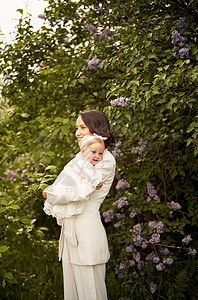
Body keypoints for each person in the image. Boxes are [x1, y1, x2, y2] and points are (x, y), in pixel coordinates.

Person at [43, 110, 116, 300]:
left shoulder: (103, 159)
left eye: (83, 127)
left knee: (91, 294)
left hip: (87, 233)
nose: (77, 133)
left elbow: (77, 193)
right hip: (70, 234)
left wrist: (49, 193)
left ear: (97, 129)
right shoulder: (81, 158)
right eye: (77, 128)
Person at [43, 134, 106, 220]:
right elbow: (88, 173)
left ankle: (54, 196)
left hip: (69, 182)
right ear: (83, 152)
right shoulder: (82, 162)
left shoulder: (83, 161)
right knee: (66, 194)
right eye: (93, 152)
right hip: (69, 182)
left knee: (68, 198)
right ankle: (52, 195)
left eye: (101, 153)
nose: (97, 156)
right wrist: (97, 181)